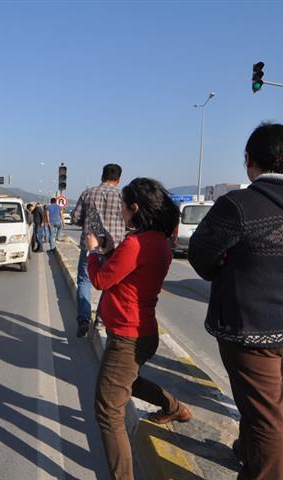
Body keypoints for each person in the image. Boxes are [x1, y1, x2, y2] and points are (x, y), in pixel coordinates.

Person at [189, 123, 283, 479]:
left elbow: (201, 258)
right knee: (265, 406)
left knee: (267, 420)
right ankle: (246, 451)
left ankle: (260, 466)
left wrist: (228, 259)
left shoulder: (237, 205)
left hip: (256, 336)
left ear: (249, 160)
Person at [87, 177, 191, 479]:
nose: (120, 212)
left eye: (123, 207)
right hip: (143, 333)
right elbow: (126, 272)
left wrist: (94, 251)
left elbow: (101, 280)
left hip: (127, 337)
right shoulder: (158, 241)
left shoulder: (136, 243)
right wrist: (109, 251)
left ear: (135, 208)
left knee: (107, 412)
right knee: (127, 382)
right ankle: (174, 407)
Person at [71, 163, 125, 337]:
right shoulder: (122, 196)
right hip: (114, 248)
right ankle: (101, 318)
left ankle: (83, 320)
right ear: (118, 179)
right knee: (110, 285)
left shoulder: (87, 193)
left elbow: (76, 218)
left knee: (84, 281)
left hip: (90, 245)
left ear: (102, 177)